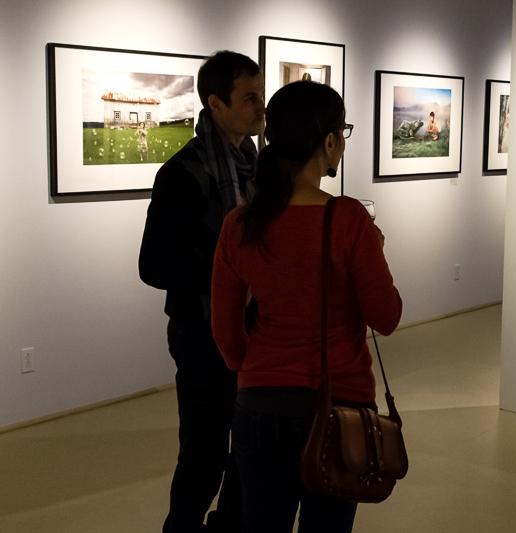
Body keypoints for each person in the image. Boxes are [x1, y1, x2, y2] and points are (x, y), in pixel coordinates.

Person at [210, 80, 402, 532]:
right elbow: (386, 317)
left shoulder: (240, 223)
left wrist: (253, 369)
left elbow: (224, 327)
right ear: (330, 141)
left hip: (259, 405)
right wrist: (376, 249)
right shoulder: (349, 218)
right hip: (340, 406)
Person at [138, 50, 265, 533]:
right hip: (201, 333)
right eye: (249, 97)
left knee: (249, 445)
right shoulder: (182, 175)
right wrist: (228, 279)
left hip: (254, 333)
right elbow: (153, 266)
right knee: (205, 450)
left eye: (261, 94)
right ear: (215, 102)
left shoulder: (258, 169)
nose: (261, 106)